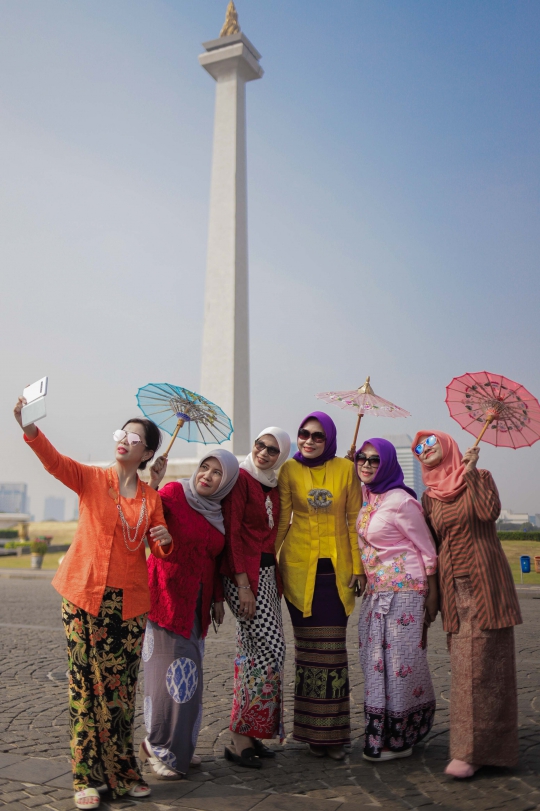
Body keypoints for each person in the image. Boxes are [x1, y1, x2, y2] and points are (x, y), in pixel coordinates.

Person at [13, 396, 173, 810]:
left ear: (148, 452)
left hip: (131, 605)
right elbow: (55, 462)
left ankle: (122, 772)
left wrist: (165, 542)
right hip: (84, 597)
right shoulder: (91, 479)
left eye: (133, 437)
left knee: (120, 691)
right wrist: (29, 427)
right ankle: (86, 777)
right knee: (84, 687)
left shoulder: (151, 499)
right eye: (121, 434)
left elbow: (158, 549)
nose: (123, 441)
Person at [412, 430, 522, 778]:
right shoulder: (429, 497)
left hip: (487, 583)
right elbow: (431, 543)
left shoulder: (480, 477)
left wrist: (471, 473)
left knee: (491, 666)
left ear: (447, 447)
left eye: (430, 445)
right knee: (466, 668)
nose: (424, 451)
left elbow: (488, 513)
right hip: (454, 590)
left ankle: (483, 752)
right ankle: (474, 749)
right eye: (419, 448)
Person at [140, 448, 240, 779]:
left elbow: (212, 562)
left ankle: (179, 747)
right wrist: (152, 483)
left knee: (189, 682)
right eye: (204, 468)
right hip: (166, 599)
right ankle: (157, 746)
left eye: (216, 473)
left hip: (196, 608)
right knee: (164, 682)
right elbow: (144, 517)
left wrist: (216, 600)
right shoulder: (173, 493)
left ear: (225, 482)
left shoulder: (217, 512)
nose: (207, 476)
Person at [276, 411, 364, 760]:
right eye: (304, 434)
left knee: (332, 655)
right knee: (307, 654)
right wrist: (266, 562)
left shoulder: (346, 470)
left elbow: (354, 519)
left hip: (336, 574)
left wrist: (358, 567)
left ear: (329, 440)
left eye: (317, 436)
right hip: (299, 572)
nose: (309, 441)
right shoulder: (289, 471)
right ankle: (311, 733)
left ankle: (332, 735)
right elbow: (284, 519)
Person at [355, 439, 438, 762]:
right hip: (377, 593)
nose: (366, 464)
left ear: (388, 463)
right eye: (362, 458)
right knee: (375, 664)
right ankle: (380, 735)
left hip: (405, 593)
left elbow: (427, 549)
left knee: (400, 666)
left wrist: (433, 595)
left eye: (375, 460)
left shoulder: (402, 501)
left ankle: (401, 737)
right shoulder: (368, 496)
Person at [221, 427, 291, 769]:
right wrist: (243, 584)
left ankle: (248, 735)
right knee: (270, 647)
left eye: (273, 449)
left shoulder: (273, 485)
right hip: (244, 577)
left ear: (282, 455)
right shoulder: (241, 479)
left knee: (252, 650)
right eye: (260, 445)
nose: (263, 452)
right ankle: (239, 736)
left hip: (266, 575)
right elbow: (232, 531)